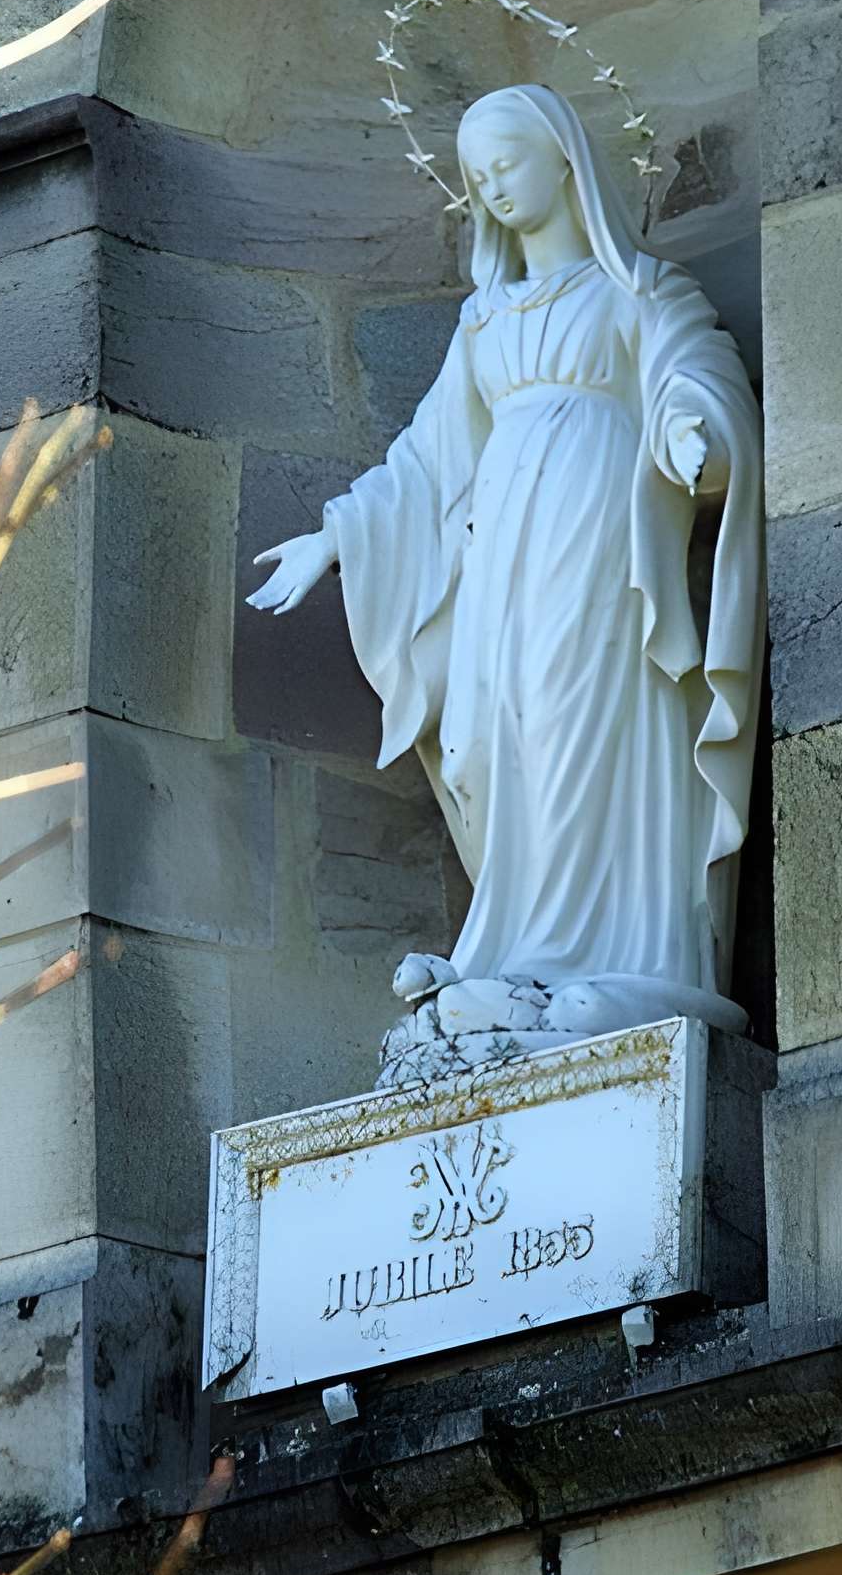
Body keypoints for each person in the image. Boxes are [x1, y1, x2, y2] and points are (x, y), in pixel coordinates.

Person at [248, 84, 763, 1040]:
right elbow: (428, 456)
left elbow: (695, 378)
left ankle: (625, 956)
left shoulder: (638, 291)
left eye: (508, 162)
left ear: (567, 158)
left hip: (604, 542)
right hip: (502, 566)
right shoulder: (484, 321)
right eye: (477, 175)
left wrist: (694, 435)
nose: (493, 185)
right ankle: (521, 957)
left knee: (583, 718)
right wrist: (337, 535)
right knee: (501, 733)